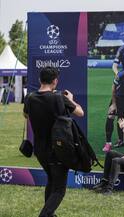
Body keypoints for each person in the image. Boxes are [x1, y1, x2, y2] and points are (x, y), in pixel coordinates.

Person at [23, 67, 84, 217]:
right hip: (59, 149)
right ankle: (45, 215)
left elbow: (25, 114)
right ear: (55, 81)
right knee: (59, 189)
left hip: (40, 150)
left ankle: (50, 215)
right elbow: (80, 112)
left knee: (51, 180)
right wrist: (70, 99)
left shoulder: (30, 97)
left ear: (40, 80)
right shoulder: (58, 97)